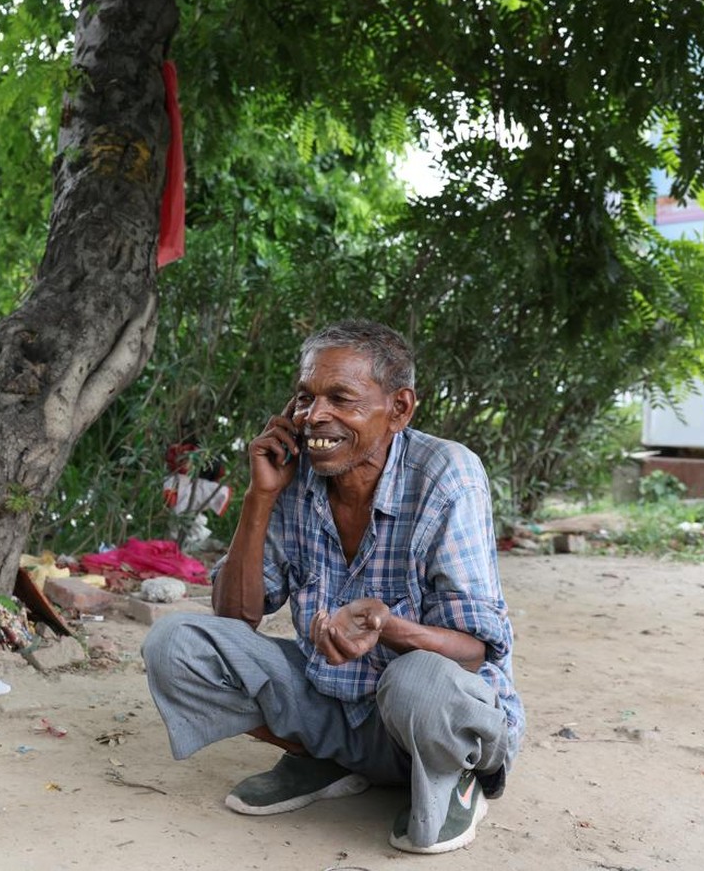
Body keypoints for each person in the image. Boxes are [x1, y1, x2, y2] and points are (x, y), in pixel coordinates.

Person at [141, 319, 524, 855]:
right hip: (335, 705)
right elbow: (234, 619)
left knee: (418, 681)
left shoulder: (447, 475)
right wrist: (260, 496)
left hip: (432, 715)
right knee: (176, 645)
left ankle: (452, 778)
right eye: (305, 397)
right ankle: (327, 757)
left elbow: (473, 650)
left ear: (400, 409)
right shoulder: (295, 475)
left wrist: (385, 627)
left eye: (341, 398)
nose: (314, 415)